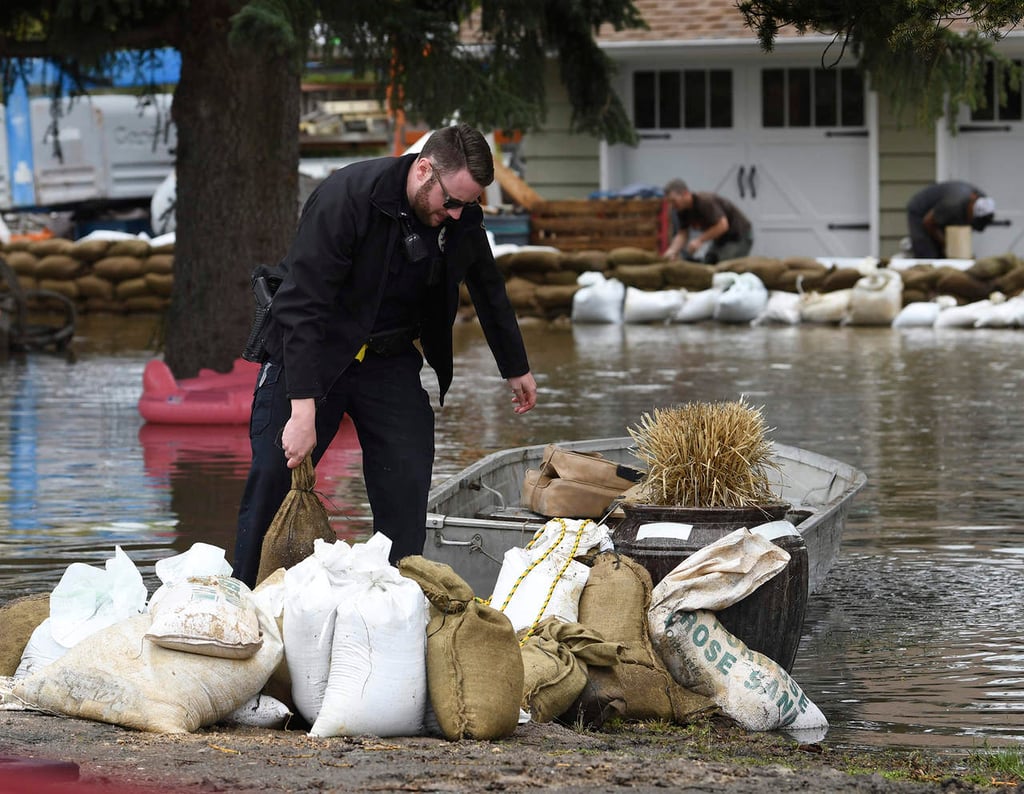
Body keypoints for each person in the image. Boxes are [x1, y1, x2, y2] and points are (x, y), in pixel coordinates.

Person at [232, 123, 538, 587]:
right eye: (451, 202)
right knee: (273, 477)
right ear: (423, 170)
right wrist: (302, 409)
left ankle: (396, 598)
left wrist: (515, 367)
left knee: (407, 476)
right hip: (315, 352)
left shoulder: (460, 216)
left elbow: (488, 287)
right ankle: (244, 592)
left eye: (468, 204)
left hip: (388, 358)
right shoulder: (346, 197)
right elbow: (302, 308)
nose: (457, 214)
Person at [661, 179, 753, 264]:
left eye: (673, 201)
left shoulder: (704, 202)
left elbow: (722, 225)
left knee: (723, 265)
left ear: (685, 194)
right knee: (708, 262)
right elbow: (682, 234)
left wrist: (699, 240)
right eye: (669, 202)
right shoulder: (681, 210)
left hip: (738, 236)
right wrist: (672, 251)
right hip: (720, 239)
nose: (672, 205)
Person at [906, 180, 995, 259]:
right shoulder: (953, 204)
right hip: (920, 213)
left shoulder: (982, 198)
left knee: (950, 252)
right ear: (971, 207)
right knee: (929, 254)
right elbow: (928, 222)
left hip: (942, 213)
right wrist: (945, 244)